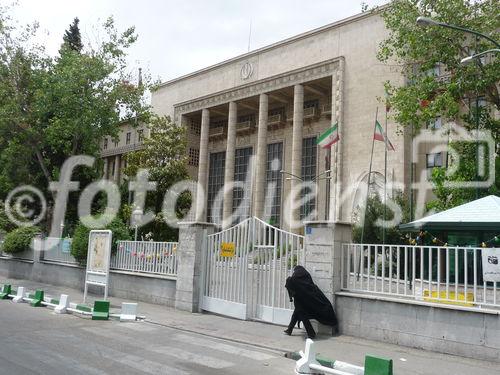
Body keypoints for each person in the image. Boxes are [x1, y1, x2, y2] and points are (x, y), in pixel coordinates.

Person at [284, 265, 338, 339]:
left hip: (301, 301)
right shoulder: (306, 278)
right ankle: (290, 329)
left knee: (301, 315)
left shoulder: (295, 279)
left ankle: (311, 333)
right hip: (304, 301)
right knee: (296, 313)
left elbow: (290, 282)